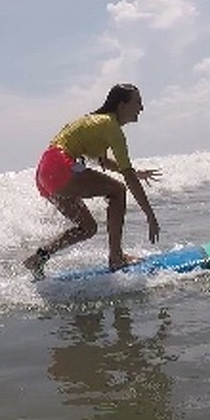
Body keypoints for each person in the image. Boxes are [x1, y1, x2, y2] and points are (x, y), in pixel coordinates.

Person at [23, 83, 161, 279]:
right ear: (122, 105)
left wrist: (135, 172)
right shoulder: (111, 127)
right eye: (137, 102)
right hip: (61, 166)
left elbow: (104, 161)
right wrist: (150, 215)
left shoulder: (96, 123)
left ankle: (39, 257)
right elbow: (126, 176)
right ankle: (116, 258)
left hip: (45, 173)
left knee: (88, 228)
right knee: (118, 190)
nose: (142, 108)